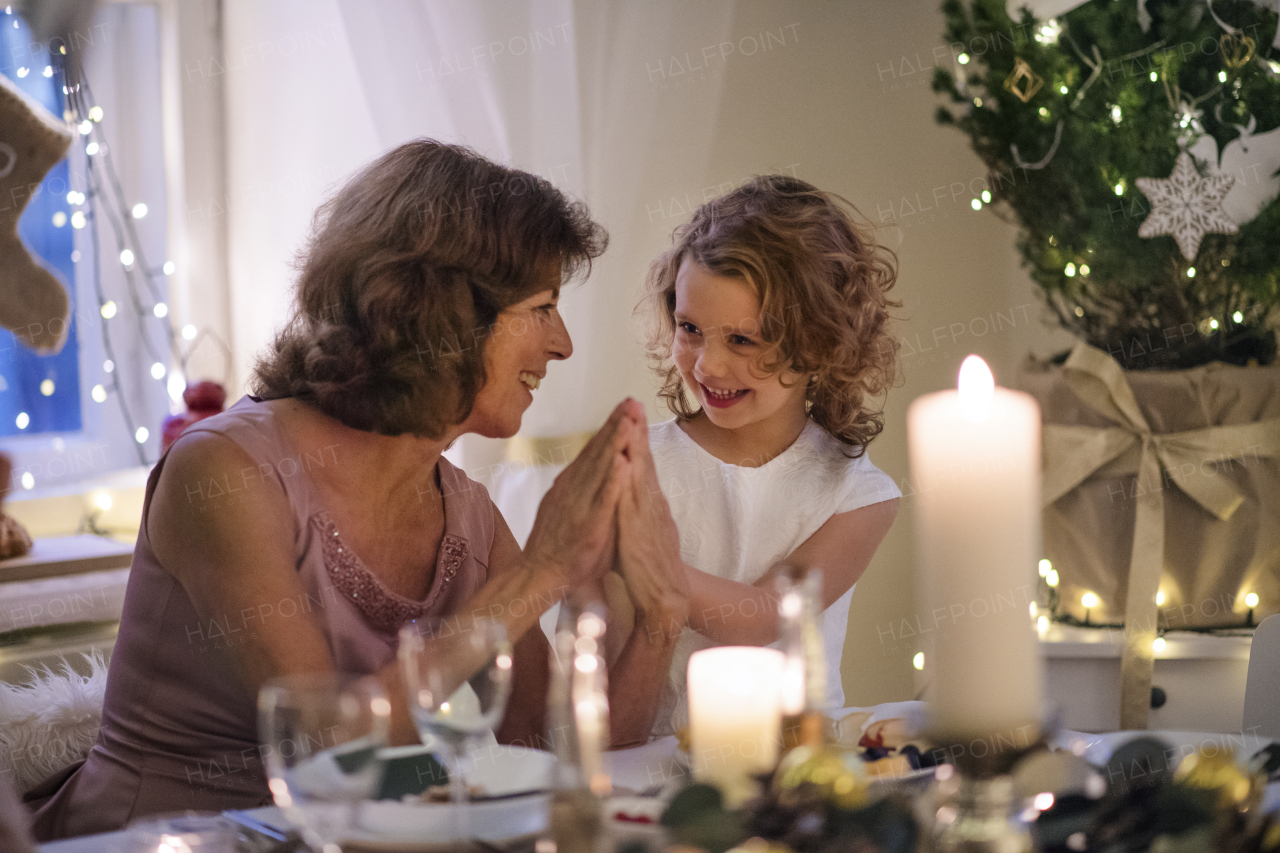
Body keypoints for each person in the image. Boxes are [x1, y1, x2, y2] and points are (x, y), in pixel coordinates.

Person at [27, 140, 685, 840]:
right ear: (450, 313)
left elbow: (548, 760)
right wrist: (542, 571)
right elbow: (331, 745)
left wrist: (660, 615)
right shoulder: (223, 471)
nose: (563, 344)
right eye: (543, 307)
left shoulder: (471, 516)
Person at [634, 175, 903, 735]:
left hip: (795, 772)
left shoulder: (856, 494)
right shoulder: (641, 463)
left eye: (742, 340)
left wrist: (638, 558)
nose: (708, 366)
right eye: (690, 328)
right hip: (657, 764)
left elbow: (759, 619)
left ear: (821, 342)